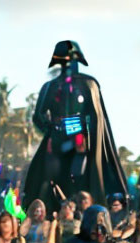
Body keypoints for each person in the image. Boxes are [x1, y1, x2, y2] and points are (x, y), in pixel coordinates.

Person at [23, 41, 127, 212]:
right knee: (47, 180)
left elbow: (95, 116)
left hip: (81, 142)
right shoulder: (50, 86)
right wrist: (52, 129)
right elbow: (38, 116)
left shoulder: (89, 84)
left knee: (81, 178)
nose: (68, 64)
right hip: (57, 141)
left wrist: (86, 136)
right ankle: (47, 211)